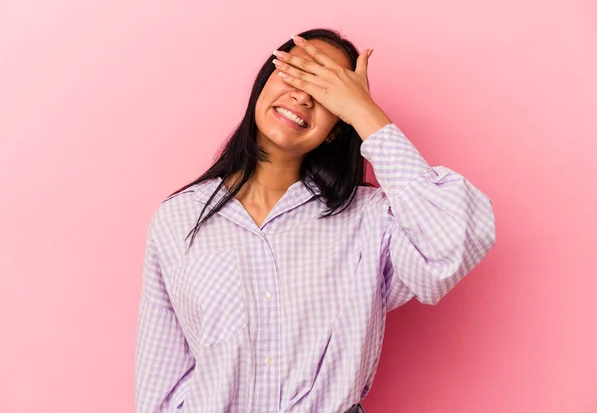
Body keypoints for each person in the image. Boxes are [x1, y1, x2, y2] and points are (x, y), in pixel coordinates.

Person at [134, 28, 496, 413]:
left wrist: (364, 113)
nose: (303, 95)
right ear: (264, 83)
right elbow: (161, 382)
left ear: (336, 128)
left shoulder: (371, 219)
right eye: (297, 72)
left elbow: (452, 243)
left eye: (325, 90)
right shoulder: (178, 219)